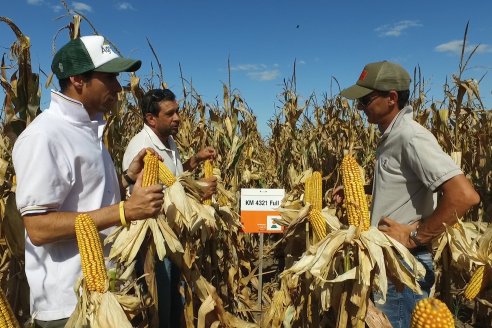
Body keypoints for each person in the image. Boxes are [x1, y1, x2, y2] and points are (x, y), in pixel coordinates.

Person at [12, 35, 164, 328]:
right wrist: (125, 212)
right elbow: (38, 227)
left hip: (105, 291)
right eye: (110, 78)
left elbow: (89, 199)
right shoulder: (45, 137)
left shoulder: (89, 131)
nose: (119, 88)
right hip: (70, 305)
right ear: (78, 80)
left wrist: (127, 178)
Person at [338, 60, 480, 327]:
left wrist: (414, 237)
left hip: (402, 267)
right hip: (388, 262)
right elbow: (407, 181)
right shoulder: (391, 137)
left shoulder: (410, 136)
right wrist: (360, 190)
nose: (359, 108)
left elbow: (464, 195)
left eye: (365, 100)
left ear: (391, 98)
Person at [122, 88, 217, 327]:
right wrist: (196, 190)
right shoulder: (141, 148)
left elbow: (172, 178)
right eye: (170, 113)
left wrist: (195, 160)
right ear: (150, 118)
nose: (178, 118)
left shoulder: (168, 141)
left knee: (176, 302)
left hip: (171, 238)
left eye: (177, 112)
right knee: (159, 307)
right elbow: (145, 201)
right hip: (153, 244)